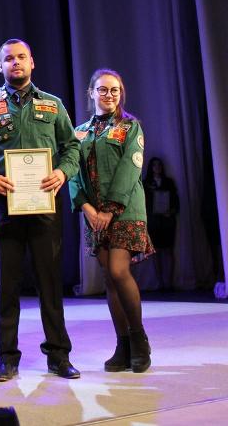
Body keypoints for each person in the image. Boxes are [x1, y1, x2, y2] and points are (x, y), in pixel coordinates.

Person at [0, 38, 81, 382]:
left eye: (21, 57)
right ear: (0, 66)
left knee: (50, 283)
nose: (15, 62)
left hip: (45, 204)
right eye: (9, 59)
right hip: (5, 206)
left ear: (32, 62)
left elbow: (71, 147)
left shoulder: (53, 104)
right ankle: (7, 358)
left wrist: (62, 172)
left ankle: (59, 356)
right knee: (7, 286)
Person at [69, 69, 154, 373]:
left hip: (124, 210)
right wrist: (87, 208)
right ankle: (123, 345)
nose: (109, 95)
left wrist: (109, 209)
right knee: (109, 278)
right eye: (103, 90)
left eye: (114, 90)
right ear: (91, 93)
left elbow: (130, 169)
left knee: (119, 271)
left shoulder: (130, 126)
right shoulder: (79, 132)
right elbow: (72, 172)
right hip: (95, 215)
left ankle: (139, 340)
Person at [143, 157, 179, 290]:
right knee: (156, 252)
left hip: (168, 222)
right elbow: (143, 203)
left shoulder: (169, 182)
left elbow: (176, 201)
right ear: (151, 168)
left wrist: (171, 211)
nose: (157, 167)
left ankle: (169, 282)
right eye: (154, 165)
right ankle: (160, 283)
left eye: (159, 165)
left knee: (169, 251)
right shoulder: (146, 183)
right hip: (153, 222)